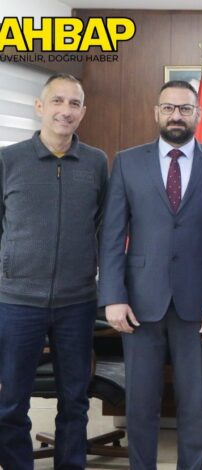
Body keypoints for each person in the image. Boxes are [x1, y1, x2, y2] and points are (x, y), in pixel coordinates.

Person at [98, 80, 202, 468]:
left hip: (199, 306)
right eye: (168, 108)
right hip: (139, 304)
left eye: (185, 108)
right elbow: (112, 235)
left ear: (198, 114)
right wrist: (113, 296)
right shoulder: (127, 162)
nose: (176, 115)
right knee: (140, 404)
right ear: (156, 113)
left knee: (194, 405)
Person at [0, 73, 107, 470]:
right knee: (11, 402)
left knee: (75, 401)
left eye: (74, 103)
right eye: (57, 101)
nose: (66, 110)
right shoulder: (9, 160)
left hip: (77, 302)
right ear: (39, 107)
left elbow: (103, 226)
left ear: (83, 111)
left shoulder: (96, 162)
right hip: (17, 303)